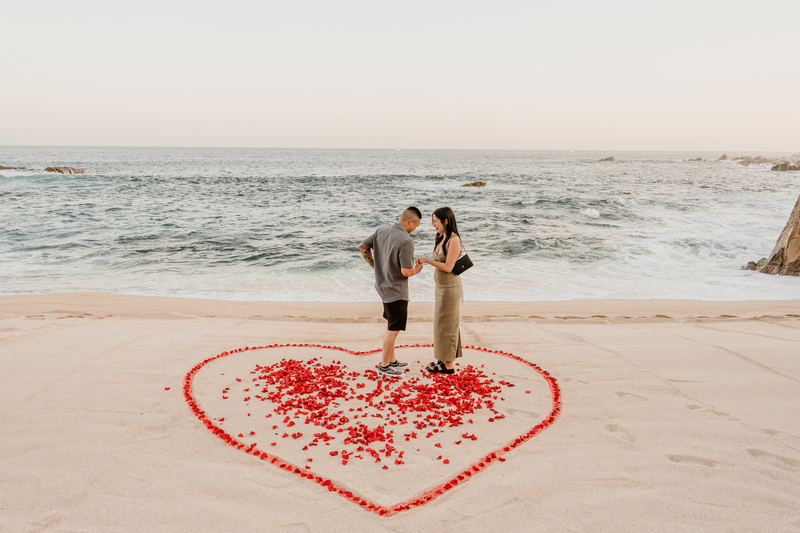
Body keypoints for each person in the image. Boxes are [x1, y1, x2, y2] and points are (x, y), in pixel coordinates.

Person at [359, 207, 424, 377]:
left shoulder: (381, 231)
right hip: (396, 290)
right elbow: (406, 271)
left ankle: (392, 360)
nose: (415, 229)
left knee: (390, 324)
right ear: (411, 221)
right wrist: (418, 269)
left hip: (382, 286)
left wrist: (375, 267)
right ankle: (384, 366)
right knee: (394, 329)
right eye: (416, 225)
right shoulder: (406, 240)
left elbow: (362, 246)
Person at [416, 207, 463, 374]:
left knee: (448, 324)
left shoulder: (454, 240)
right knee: (440, 324)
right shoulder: (441, 237)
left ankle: (448, 365)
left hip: (450, 288)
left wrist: (428, 260)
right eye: (433, 221)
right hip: (441, 288)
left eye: (436, 221)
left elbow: (448, 267)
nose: (434, 224)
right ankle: (443, 359)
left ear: (446, 221)